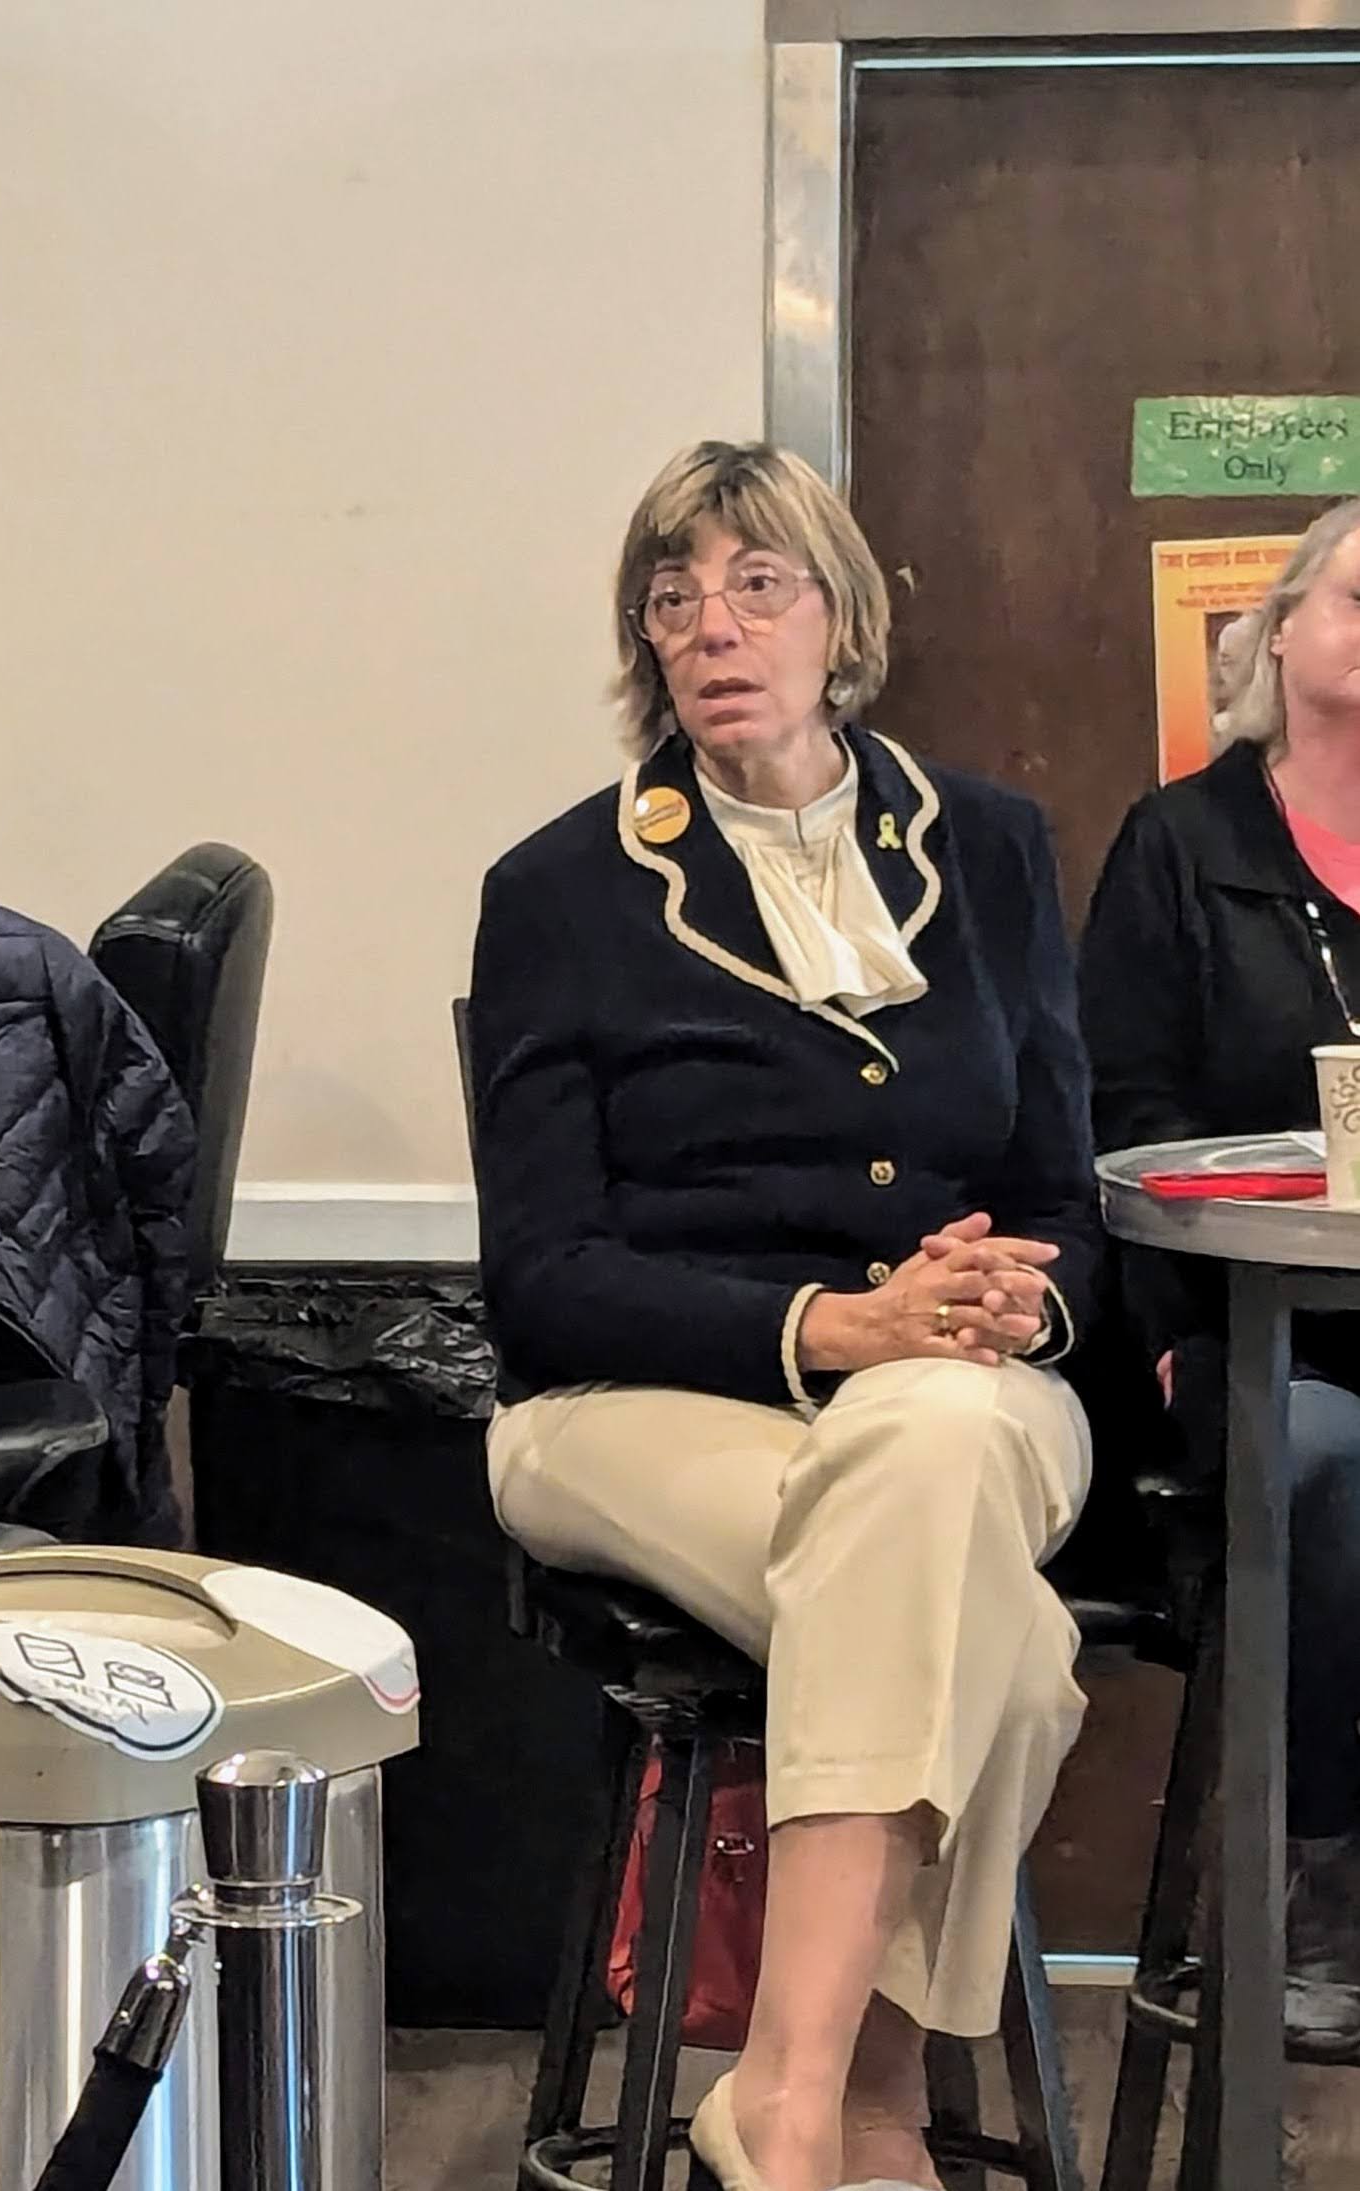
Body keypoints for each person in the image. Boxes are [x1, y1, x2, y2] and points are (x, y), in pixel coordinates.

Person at [466, 440, 1097, 2191]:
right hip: (632, 1406)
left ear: (844, 616)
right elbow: (542, 1278)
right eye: (671, 598)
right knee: (996, 1635)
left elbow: (1068, 1195)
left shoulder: (992, 847)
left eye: (758, 585)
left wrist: (1000, 1302)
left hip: (966, 1381)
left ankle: (787, 2093)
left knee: (933, 1454)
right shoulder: (560, 891)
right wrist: (829, 1326)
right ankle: (864, 2100)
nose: (710, 627)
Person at [1081, 494, 1360, 2057]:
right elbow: (1121, 1118)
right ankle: (1317, 1882)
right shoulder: (1183, 847)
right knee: (1325, 1457)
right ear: (1279, 633)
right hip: (1244, 1345)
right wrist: (1183, 1341)